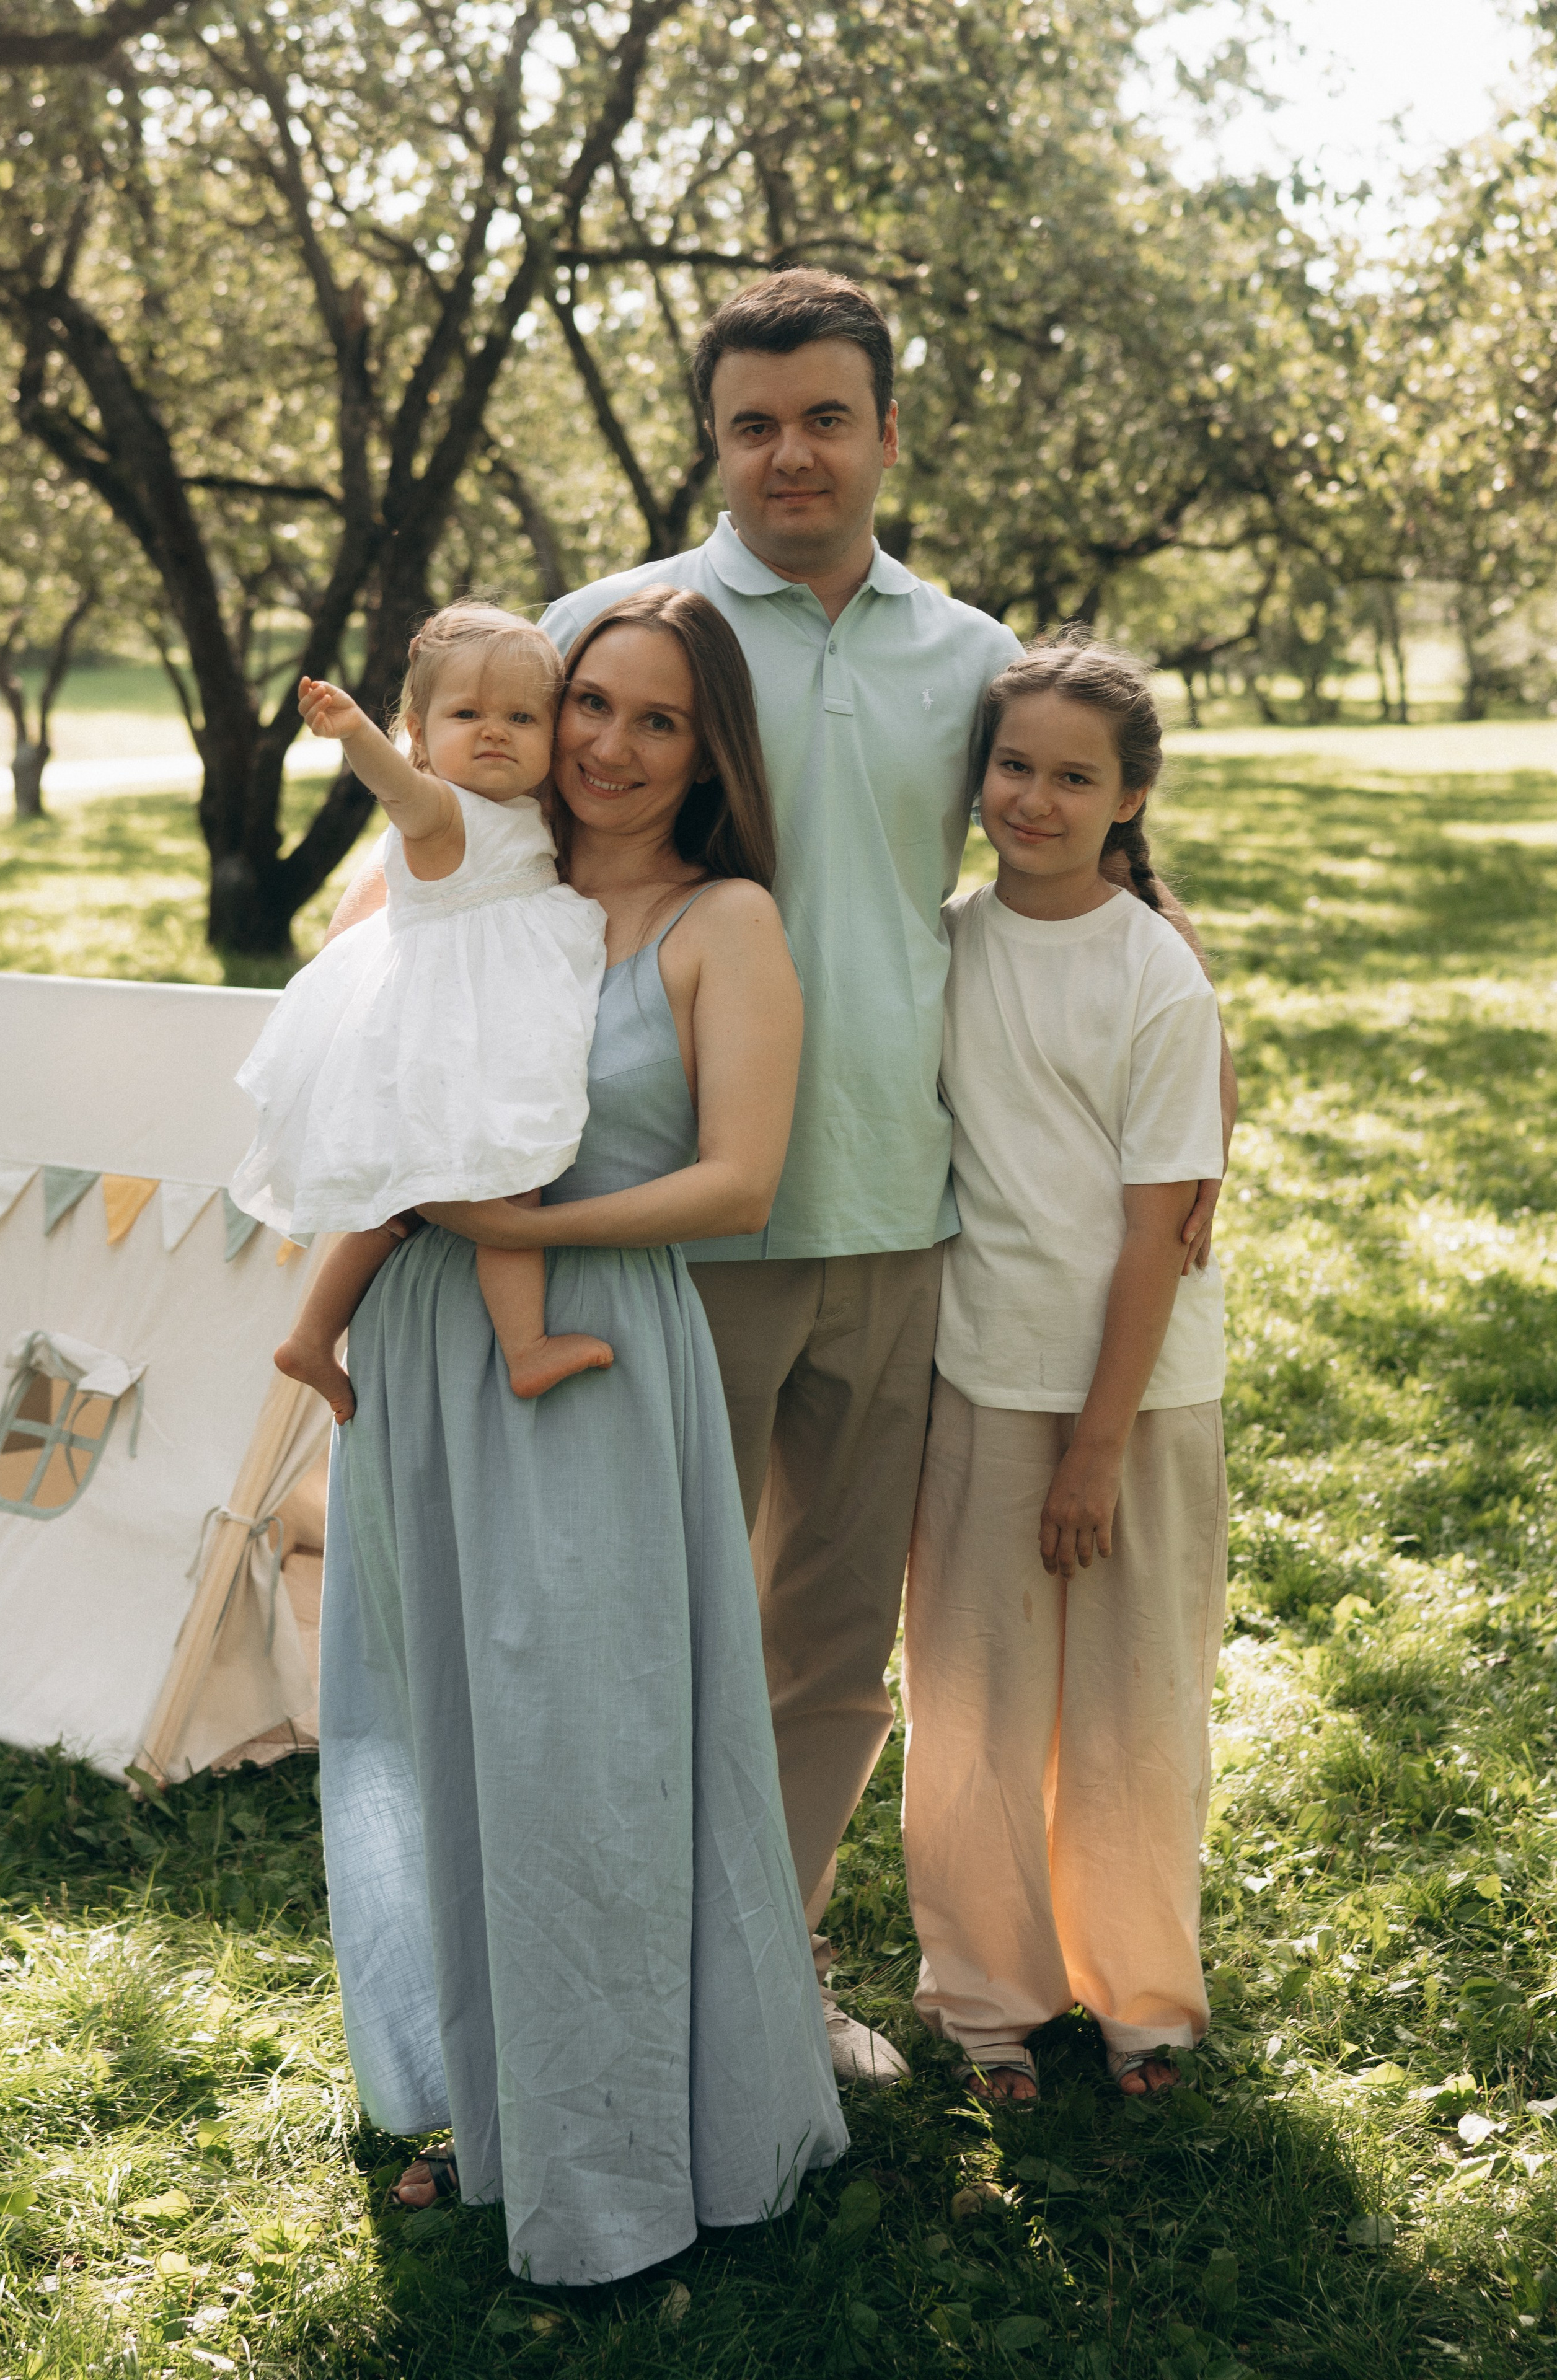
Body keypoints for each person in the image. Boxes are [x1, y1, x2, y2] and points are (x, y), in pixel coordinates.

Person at [332, 268, 1233, 2083]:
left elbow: (1083, 855)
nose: (792, 451)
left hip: (906, 1223)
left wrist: (1199, 1063)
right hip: (655, 1232)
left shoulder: (969, 655)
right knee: (633, 1629)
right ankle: (606, 1973)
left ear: (889, 434)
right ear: (715, 439)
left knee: (828, 1641)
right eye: (755, 422)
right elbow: (434, 864)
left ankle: (779, 1962)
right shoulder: (617, 633)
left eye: (828, 416)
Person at [319, 584, 847, 2286]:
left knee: (595, 1756)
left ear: (708, 756)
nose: (608, 747)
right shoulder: (475, 877)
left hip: (591, 1348)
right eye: (588, 707)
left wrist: (517, 1237)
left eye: (657, 721)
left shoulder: (723, 920)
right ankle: (492, 2101)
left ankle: (634, 2141)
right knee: (449, 1723)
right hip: (425, 1346)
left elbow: (739, 1181)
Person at [901, 635, 1229, 2109]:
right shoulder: (943, 940)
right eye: (1012, 765)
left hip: (1136, 1402)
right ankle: (985, 2004)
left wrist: (1095, 1449)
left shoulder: (1154, 974)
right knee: (971, 1712)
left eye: (1071, 775)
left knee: (1131, 1710)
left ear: (1129, 794)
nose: (1033, 797)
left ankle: (1141, 2001)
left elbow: (1159, 1233)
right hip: (977, 1378)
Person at [230, 603, 612, 1416]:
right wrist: (356, 733)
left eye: (521, 716)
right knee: (513, 1178)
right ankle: (527, 1348)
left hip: (456, 1023)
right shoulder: (442, 814)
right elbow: (399, 791)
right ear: (420, 729)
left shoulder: (517, 813)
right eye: (466, 715)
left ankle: (309, 1340)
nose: (495, 733)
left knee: (398, 1207)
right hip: (449, 1033)